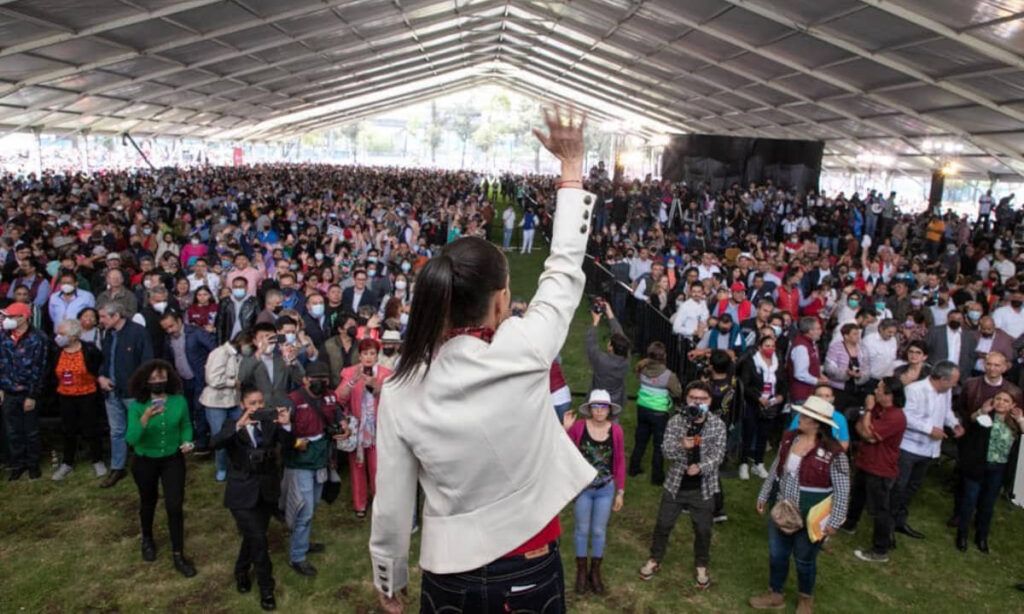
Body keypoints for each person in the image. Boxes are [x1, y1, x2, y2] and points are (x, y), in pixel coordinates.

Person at [369, 106, 596, 613]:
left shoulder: (401, 389)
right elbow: (563, 270)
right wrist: (571, 170)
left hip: (449, 576)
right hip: (531, 565)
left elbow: (392, 504)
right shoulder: (526, 347)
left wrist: (389, 577)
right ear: (500, 301)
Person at [750, 396, 850, 613]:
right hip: (783, 509)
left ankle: (806, 598)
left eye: (804, 416)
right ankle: (775, 593)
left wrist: (835, 520)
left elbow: (842, 488)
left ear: (815, 422)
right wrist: (763, 495)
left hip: (811, 515)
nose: (799, 418)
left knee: (805, 559)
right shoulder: (789, 439)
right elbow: (776, 468)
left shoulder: (834, 452)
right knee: (777, 554)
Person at [211, 386, 294, 611]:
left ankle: (240, 571)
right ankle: (267, 588)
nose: (258, 407)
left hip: (266, 491)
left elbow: (288, 445)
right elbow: (215, 443)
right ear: (242, 405)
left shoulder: (269, 424)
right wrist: (239, 424)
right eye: (253, 403)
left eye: (260, 402)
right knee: (258, 538)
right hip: (241, 492)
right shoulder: (232, 426)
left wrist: (286, 424)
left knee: (252, 536)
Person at [639, 381, 726, 590]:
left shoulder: (717, 425)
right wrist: (681, 445)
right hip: (675, 485)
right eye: (693, 398)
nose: (697, 402)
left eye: (702, 399)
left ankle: (701, 565)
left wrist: (702, 467)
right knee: (663, 524)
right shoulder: (676, 421)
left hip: (703, 488)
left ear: (710, 401)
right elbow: (665, 450)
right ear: (686, 399)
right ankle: (655, 559)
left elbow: (719, 455)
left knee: (703, 530)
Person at [125, 359, 196, 577]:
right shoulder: (137, 406)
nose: (158, 382)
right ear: (145, 381)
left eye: (162, 377)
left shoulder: (178, 401)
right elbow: (131, 438)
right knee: (149, 500)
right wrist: (145, 418)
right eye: (154, 379)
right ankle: (147, 538)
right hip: (145, 460)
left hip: (172, 460)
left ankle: (178, 553)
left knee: (174, 506)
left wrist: (187, 440)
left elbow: (185, 425)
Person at [283, 361, 346, 576]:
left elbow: (339, 416)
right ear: (305, 380)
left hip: (322, 461)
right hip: (300, 463)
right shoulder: (293, 401)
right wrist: (299, 444)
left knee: (313, 505)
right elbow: (282, 435)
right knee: (304, 509)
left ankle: (303, 541)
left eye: (324, 379)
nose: (320, 383)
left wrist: (343, 429)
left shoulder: (330, 397)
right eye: (315, 379)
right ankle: (297, 556)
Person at [563, 389, 626, 596]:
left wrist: (620, 491)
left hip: (605, 489)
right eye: (596, 407)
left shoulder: (615, 431)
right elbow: (565, 452)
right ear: (590, 409)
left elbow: (619, 462)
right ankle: (581, 571)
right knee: (582, 529)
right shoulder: (579, 427)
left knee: (598, 530)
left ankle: (595, 571)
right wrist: (565, 430)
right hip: (583, 488)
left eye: (603, 407)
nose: (599, 411)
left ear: (609, 410)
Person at [891, 361, 963, 540]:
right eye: (953, 381)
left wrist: (954, 424)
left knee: (913, 487)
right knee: (899, 486)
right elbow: (906, 415)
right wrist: (929, 428)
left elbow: (946, 412)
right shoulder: (915, 390)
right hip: (909, 447)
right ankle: (887, 526)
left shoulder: (945, 392)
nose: (955, 385)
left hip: (929, 450)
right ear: (943, 379)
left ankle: (900, 520)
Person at [843, 377, 907, 563]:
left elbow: (870, 435)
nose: (874, 391)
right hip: (865, 462)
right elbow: (859, 428)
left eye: (879, 389)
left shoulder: (895, 416)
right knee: (857, 495)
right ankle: (849, 524)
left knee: (880, 510)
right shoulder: (881, 409)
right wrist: (867, 426)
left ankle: (880, 550)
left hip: (880, 469)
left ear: (889, 394)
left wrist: (869, 411)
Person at [957, 390, 1024, 553]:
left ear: (1013, 405)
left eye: (1006, 401)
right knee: (970, 500)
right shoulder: (986, 417)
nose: (1001, 403)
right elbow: (971, 421)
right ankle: (962, 535)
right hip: (978, 465)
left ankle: (982, 536)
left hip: (998, 469)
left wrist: (1020, 419)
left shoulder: (1014, 423)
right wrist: (982, 411)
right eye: (998, 399)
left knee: (987, 504)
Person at [97, 301, 154, 488]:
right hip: (111, 391)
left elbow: (147, 362)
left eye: (104, 317)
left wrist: (141, 388)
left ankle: (147, 463)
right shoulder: (108, 333)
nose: (101, 320)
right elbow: (104, 359)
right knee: (117, 431)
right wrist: (101, 377)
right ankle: (118, 467)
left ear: (116, 316)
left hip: (133, 392)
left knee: (141, 427)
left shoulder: (138, 332)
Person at [335, 337, 392, 518]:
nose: (368, 357)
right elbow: (339, 398)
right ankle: (360, 504)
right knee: (357, 466)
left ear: (377, 355)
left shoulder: (386, 373)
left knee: (377, 467)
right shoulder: (349, 372)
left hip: (377, 427)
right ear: (359, 356)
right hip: (356, 427)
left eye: (372, 353)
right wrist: (353, 381)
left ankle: (378, 502)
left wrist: (375, 386)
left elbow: (391, 398)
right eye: (365, 353)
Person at [51, 318, 107, 481]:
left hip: (87, 395)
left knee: (91, 429)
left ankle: (97, 460)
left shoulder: (89, 350)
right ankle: (67, 462)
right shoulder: (56, 351)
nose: (58, 337)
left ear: (74, 336)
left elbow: (98, 368)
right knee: (68, 430)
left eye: (62, 334)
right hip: (65, 396)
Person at [0, 302, 48, 480]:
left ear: (23, 317)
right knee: (12, 431)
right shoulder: (3, 336)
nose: (8, 320)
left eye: (12, 317)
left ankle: (33, 465)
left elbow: (39, 368)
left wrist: (32, 395)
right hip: (8, 391)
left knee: (31, 431)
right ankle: (18, 464)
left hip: (28, 391)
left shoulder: (38, 338)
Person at [160, 310, 216, 453]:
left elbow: (215, 350)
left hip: (200, 378)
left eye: (171, 326)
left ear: (179, 321)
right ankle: (192, 439)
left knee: (199, 409)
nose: (169, 330)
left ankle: (203, 443)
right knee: (188, 410)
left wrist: (209, 369)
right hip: (183, 380)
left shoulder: (196, 333)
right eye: (166, 328)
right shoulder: (168, 339)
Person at [629, 341, 683, 485]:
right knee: (659, 446)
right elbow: (677, 392)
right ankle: (657, 477)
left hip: (642, 409)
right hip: (659, 414)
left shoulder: (641, 369)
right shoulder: (668, 375)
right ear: (664, 356)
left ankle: (633, 468)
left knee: (640, 441)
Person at [200, 331, 247, 482]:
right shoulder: (220, 353)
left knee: (239, 434)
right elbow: (212, 379)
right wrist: (233, 383)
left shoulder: (240, 356)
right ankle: (221, 468)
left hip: (234, 400)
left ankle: (237, 465)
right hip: (216, 402)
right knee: (220, 435)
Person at [738, 334, 786, 481]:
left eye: (772, 346)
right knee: (749, 433)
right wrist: (758, 397)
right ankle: (744, 463)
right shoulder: (751, 363)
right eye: (767, 346)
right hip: (754, 403)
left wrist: (780, 397)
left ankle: (759, 463)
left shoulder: (778, 363)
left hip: (771, 404)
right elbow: (745, 384)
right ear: (760, 347)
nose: (770, 349)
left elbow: (783, 383)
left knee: (763, 435)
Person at [238, 322, 305, 408]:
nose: (267, 341)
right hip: (260, 407)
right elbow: (242, 378)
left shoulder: (282, 359)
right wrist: (260, 351)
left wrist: (293, 360)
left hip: (282, 407)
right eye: (262, 337)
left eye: (270, 337)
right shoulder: (248, 360)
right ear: (255, 341)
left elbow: (301, 379)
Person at [586, 301, 630, 409]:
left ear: (611, 347)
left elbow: (591, 344)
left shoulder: (601, 360)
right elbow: (620, 335)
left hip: (597, 399)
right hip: (616, 402)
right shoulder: (627, 359)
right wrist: (610, 313)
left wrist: (595, 321)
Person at [787, 316, 828, 404]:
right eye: (818, 328)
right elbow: (799, 373)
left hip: (810, 394)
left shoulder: (811, 344)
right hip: (802, 395)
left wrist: (820, 374)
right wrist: (817, 381)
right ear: (810, 331)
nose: (821, 331)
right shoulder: (801, 347)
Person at [217, 276, 259, 345]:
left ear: (246, 287)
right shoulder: (225, 302)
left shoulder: (254, 302)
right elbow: (220, 324)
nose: (238, 289)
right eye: (235, 287)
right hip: (228, 339)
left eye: (241, 286)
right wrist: (219, 343)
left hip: (246, 339)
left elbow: (258, 323)